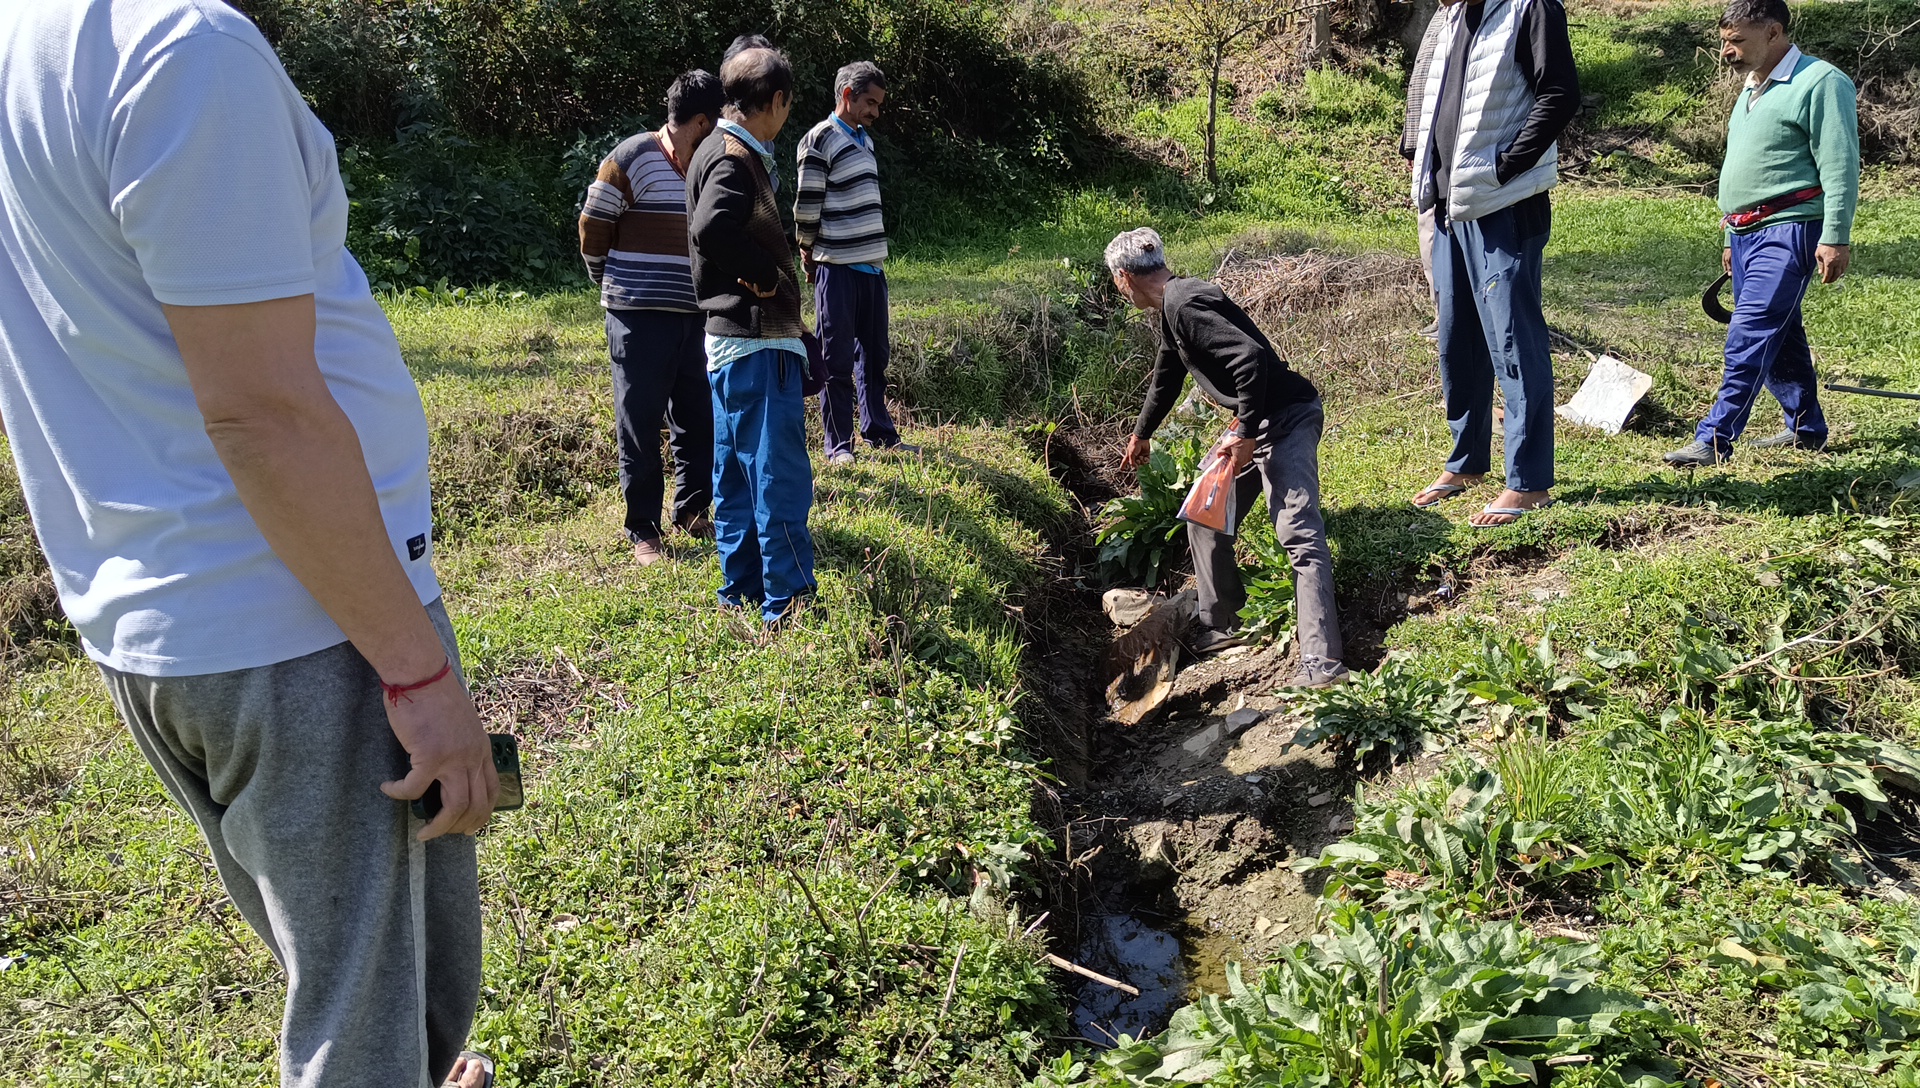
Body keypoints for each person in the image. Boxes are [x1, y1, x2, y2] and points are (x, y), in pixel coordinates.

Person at [0, 2, 497, 1087]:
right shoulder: (181, 50)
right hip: (298, 620)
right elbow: (261, 412)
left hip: (163, 614)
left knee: (371, 983)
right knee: (365, 1021)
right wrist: (416, 668)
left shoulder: (27, 41)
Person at [1105, 228, 1349, 690]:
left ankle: (1324, 665)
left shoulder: (1185, 303)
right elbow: (1165, 378)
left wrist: (1242, 431)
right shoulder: (1173, 310)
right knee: (1204, 512)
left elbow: (1251, 360)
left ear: (1123, 279)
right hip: (1257, 423)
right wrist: (1141, 435)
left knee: (1298, 533)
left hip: (1286, 419)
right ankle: (1224, 623)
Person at [1406, 0, 1579, 527]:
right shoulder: (1454, 16)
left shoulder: (1531, 8)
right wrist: (1422, 161)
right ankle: (1466, 462)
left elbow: (1559, 95)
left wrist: (1505, 168)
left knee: (1513, 341)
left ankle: (1528, 483)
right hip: (1450, 208)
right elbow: (1432, 99)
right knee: (1457, 337)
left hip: (1504, 206)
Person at [1664, 0, 1857, 467]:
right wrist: (1732, 236)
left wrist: (1835, 236)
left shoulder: (1821, 82)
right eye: (1724, 41)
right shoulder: (1752, 87)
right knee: (1780, 332)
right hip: (1747, 232)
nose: (1727, 51)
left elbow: (1840, 165)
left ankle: (1714, 439)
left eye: (1737, 41)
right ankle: (1805, 429)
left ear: (1773, 32)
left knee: (1749, 332)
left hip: (1791, 228)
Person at [687, 45, 818, 624]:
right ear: (778, 100)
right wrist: (763, 275)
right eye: (788, 103)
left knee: (736, 476)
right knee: (776, 475)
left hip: (730, 343)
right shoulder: (733, 156)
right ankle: (788, 602)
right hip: (758, 340)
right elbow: (711, 226)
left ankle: (738, 589)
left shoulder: (713, 148)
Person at [580, 70, 724, 565]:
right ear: (701, 121)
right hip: (637, 319)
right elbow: (593, 229)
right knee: (639, 421)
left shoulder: (712, 166)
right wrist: (617, 288)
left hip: (697, 316)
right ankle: (643, 528)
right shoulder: (631, 158)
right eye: (718, 121)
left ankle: (691, 510)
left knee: (697, 416)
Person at [795, 61, 917, 463]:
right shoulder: (819, 140)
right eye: (870, 102)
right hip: (837, 268)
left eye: (878, 104)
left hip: (872, 269)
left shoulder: (866, 141)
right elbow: (807, 205)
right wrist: (806, 248)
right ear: (847, 95)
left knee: (876, 355)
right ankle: (838, 444)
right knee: (836, 359)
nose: (875, 112)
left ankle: (879, 432)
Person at [1400, 8, 1449, 339]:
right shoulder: (1440, 14)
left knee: (1437, 229)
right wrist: (1410, 143)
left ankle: (1450, 315)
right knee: (1427, 227)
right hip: (1423, 144)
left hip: (1441, 145)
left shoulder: (1462, 13)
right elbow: (1422, 87)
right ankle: (1443, 312)